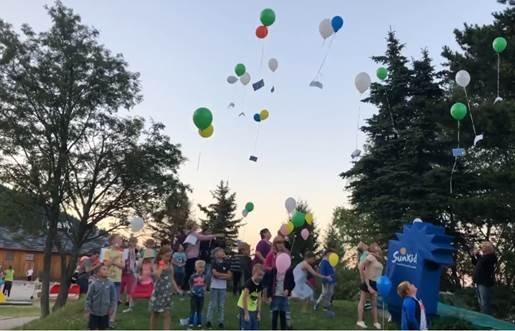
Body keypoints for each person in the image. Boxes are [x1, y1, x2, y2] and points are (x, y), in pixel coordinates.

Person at [263, 238, 295, 331]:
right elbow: (268, 282)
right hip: (275, 294)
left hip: (283, 294)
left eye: (281, 243)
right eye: (277, 243)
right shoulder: (273, 269)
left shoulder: (288, 270)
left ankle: (285, 327)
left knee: (283, 313)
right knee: (274, 313)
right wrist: (268, 295)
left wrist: (288, 290)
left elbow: (292, 282)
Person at [149, 246, 182, 330]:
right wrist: (161, 266)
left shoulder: (170, 264)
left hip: (167, 292)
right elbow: (157, 276)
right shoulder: (157, 264)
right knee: (155, 313)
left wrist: (177, 289)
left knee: (167, 313)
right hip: (158, 291)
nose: (168, 258)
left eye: (170, 256)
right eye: (166, 256)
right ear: (161, 255)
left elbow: (172, 278)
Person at [356, 243, 384, 330]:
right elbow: (361, 266)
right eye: (376, 246)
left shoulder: (379, 259)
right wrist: (367, 285)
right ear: (373, 249)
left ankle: (375, 322)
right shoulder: (370, 256)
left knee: (374, 304)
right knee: (362, 301)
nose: (378, 246)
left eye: (378, 245)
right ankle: (360, 321)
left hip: (376, 283)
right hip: (368, 281)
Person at [183, 223, 217, 291]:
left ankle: (187, 287)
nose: (197, 226)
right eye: (195, 225)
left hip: (190, 256)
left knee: (189, 272)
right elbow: (204, 237)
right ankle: (186, 287)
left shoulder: (191, 234)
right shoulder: (193, 234)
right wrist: (214, 235)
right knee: (189, 272)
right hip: (192, 256)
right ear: (192, 227)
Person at [206, 247, 232, 329]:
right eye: (221, 251)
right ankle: (209, 321)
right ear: (216, 254)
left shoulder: (226, 263)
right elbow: (214, 274)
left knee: (221, 305)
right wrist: (224, 276)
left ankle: (221, 321)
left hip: (223, 287)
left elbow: (230, 276)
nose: (223, 252)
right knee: (213, 304)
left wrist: (221, 276)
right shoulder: (214, 263)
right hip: (214, 286)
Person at [103, 234, 125, 328]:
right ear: (112, 241)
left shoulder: (122, 253)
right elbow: (106, 264)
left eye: (120, 240)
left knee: (115, 300)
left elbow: (123, 266)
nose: (120, 242)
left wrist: (114, 261)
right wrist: (114, 261)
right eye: (118, 240)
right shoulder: (107, 251)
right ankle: (105, 319)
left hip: (117, 280)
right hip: (108, 279)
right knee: (107, 300)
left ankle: (112, 320)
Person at [85, 265, 117, 331]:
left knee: (103, 328)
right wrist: (88, 310)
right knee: (93, 328)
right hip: (94, 312)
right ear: (98, 273)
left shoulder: (110, 284)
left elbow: (113, 298)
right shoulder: (93, 284)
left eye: (107, 269)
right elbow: (89, 298)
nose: (106, 271)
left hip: (105, 313)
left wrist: (111, 308)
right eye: (104, 269)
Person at [471, 241, 497, 315]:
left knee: (485, 302)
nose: (481, 249)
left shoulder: (491, 257)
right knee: (481, 302)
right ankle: (483, 316)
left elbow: (484, 262)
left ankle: (487, 319)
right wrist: (473, 256)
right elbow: (475, 263)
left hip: (484, 282)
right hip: (478, 281)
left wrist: (478, 254)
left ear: (486, 248)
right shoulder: (483, 257)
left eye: (482, 247)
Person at [238, 264, 265, 330]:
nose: (260, 277)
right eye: (259, 275)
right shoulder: (249, 284)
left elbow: (259, 298)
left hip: (253, 309)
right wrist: (246, 313)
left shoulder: (260, 284)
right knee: (246, 326)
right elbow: (244, 298)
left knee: (255, 327)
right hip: (245, 307)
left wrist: (258, 312)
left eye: (262, 275)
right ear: (253, 273)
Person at [121, 236, 138, 313]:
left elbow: (134, 260)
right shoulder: (126, 250)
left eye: (135, 242)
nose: (134, 244)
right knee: (123, 286)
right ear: (129, 242)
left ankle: (129, 302)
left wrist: (134, 269)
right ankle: (122, 300)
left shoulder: (134, 250)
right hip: (125, 270)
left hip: (132, 270)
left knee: (130, 287)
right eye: (133, 242)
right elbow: (124, 260)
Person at [189, 260, 207, 328]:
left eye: (203, 267)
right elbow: (190, 283)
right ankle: (191, 322)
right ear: (196, 268)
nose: (201, 269)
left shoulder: (204, 277)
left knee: (200, 310)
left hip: (201, 295)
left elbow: (205, 283)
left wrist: (204, 289)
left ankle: (199, 322)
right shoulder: (193, 276)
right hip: (194, 295)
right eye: (200, 267)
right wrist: (192, 290)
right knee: (193, 309)